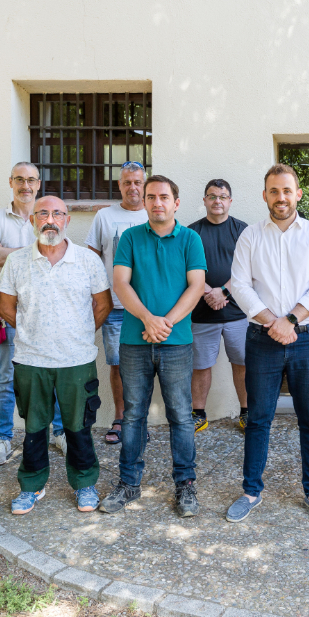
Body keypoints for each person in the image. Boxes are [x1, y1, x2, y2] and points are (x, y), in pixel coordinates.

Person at [226, 164, 309, 525]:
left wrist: (289, 320)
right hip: (263, 338)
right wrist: (272, 321)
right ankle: (250, 491)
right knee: (258, 418)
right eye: (274, 191)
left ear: (298, 194)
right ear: (265, 196)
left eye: (287, 190)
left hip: (308, 337)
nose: (281, 197)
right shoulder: (251, 236)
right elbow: (238, 285)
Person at [0, 196, 112, 515]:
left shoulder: (87, 261)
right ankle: (31, 486)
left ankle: (85, 483)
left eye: (58, 214)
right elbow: (6, 307)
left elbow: (103, 305)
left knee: (78, 426)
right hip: (31, 361)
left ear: (67, 220)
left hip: (77, 360)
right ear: (33, 220)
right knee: (34, 428)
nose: (50, 219)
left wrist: (77, 334)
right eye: (43, 214)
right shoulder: (17, 261)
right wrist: (34, 333)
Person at [100, 175, 206, 518]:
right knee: (132, 415)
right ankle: (129, 484)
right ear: (144, 202)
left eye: (164, 197)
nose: (157, 202)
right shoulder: (130, 237)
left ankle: (185, 486)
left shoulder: (191, 239)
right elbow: (120, 283)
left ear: (176, 202)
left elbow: (196, 286)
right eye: (151, 197)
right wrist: (148, 319)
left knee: (181, 416)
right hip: (134, 340)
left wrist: (165, 323)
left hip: (176, 342)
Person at [0, 162, 67, 467]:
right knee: (7, 377)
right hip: (8, 311)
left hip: (48, 312)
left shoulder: (46, 215)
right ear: (10, 182)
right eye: (20, 180)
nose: (26, 186)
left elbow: (53, 250)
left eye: (31, 180)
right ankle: (2, 439)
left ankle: (59, 431)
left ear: (39, 183)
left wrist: (10, 253)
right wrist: (31, 251)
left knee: (54, 373)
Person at [85, 162, 148, 446]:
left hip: (150, 309)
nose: (132, 187)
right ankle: (121, 419)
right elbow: (91, 259)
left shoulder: (155, 212)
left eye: (137, 182)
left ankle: (139, 420)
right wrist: (101, 296)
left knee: (147, 364)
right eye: (127, 182)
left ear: (144, 184)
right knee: (118, 365)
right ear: (119, 185)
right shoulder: (104, 216)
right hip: (116, 308)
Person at [188, 179, 249, 432]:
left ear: (230, 201)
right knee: (201, 365)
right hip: (202, 313)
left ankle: (247, 413)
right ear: (204, 200)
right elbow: (185, 267)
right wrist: (207, 292)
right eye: (212, 196)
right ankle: (198, 414)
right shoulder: (191, 232)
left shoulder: (242, 230)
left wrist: (223, 291)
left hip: (238, 313)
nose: (217, 201)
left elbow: (248, 269)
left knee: (243, 363)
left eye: (222, 197)